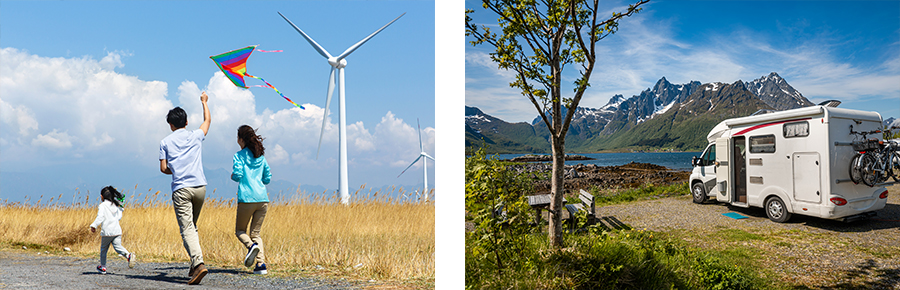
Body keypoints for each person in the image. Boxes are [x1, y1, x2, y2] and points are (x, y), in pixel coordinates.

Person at [159, 91, 211, 285]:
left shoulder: (165, 142)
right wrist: (204, 102)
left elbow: (164, 168)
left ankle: (198, 264)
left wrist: (177, 170)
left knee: (187, 228)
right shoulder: (196, 136)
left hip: (181, 189)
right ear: (187, 122)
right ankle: (193, 264)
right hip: (200, 187)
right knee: (192, 227)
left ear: (170, 125)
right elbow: (207, 121)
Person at [231, 125, 271, 275]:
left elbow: (237, 174)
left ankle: (250, 246)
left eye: (237, 138)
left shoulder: (239, 155)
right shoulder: (260, 156)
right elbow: (267, 177)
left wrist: (233, 176)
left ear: (241, 139)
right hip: (262, 199)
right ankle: (261, 265)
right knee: (256, 233)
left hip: (246, 198)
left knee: (240, 230)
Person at [90, 186, 135, 274]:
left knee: (103, 250)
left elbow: (100, 217)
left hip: (107, 232)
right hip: (117, 231)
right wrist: (121, 207)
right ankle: (128, 255)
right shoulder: (115, 205)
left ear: (102, 196)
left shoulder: (102, 206)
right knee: (118, 247)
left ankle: (103, 267)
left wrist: (94, 225)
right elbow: (119, 217)